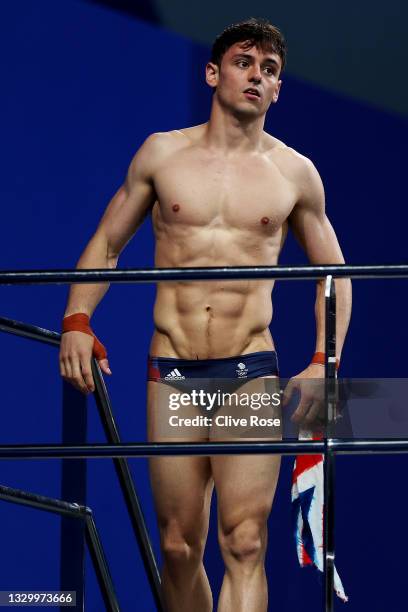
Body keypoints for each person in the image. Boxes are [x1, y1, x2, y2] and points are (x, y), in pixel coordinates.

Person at [59, 18, 352, 612]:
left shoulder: (293, 173)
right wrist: (77, 320)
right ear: (214, 72)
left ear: (277, 90)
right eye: (246, 62)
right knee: (176, 545)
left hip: (249, 372)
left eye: (270, 71)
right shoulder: (163, 153)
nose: (257, 76)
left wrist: (326, 361)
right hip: (174, 369)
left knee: (244, 541)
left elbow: (335, 275)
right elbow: (108, 243)